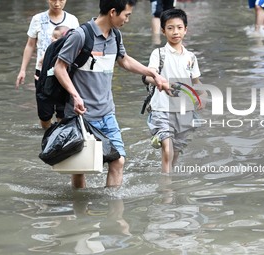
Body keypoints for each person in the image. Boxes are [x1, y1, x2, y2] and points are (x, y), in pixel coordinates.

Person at [54, 0, 169, 189]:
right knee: (80, 167)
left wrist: (153, 73)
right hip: (81, 115)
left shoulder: (115, 35)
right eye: (127, 15)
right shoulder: (81, 35)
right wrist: (75, 95)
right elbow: (60, 68)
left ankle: (112, 212)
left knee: (118, 161)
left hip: (107, 113)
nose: (128, 19)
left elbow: (124, 60)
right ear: (113, 12)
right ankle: (81, 212)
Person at [143, 8, 205, 173]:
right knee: (168, 150)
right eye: (170, 28)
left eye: (179, 27)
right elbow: (149, 75)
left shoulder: (191, 57)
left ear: (185, 30)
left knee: (175, 152)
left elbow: (196, 83)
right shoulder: (159, 54)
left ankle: (168, 178)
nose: (175, 32)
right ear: (163, 30)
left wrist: (203, 96)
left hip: (184, 111)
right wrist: (158, 80)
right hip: (161, 109)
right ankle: (167, 193)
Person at [15, 0, 79, 130]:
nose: (57, 3)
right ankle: (46, 135)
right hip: (42, 72)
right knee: (44, 114)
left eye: (61, 0)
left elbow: (77, 46)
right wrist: (23, 70)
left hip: (64, 71)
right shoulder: (38, 19)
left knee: (63, 111)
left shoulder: (72, 20)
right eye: (53, 0)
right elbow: (30, 45)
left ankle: (60, 138)